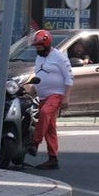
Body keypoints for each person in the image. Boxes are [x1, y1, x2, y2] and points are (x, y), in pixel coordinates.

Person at [28, 29, 72, 170]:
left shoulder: (59, 57)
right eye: (36, 47)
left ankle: (35, 142)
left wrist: (66, 97)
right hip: (42, 96)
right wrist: (32, 89)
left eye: (40, 47)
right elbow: (39, 74)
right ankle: (53, 158)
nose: (38, 50)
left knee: (45, 113)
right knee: (50, 128)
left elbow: (69, 77)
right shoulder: (39, 57)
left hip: (56, 94)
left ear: (47, 45)